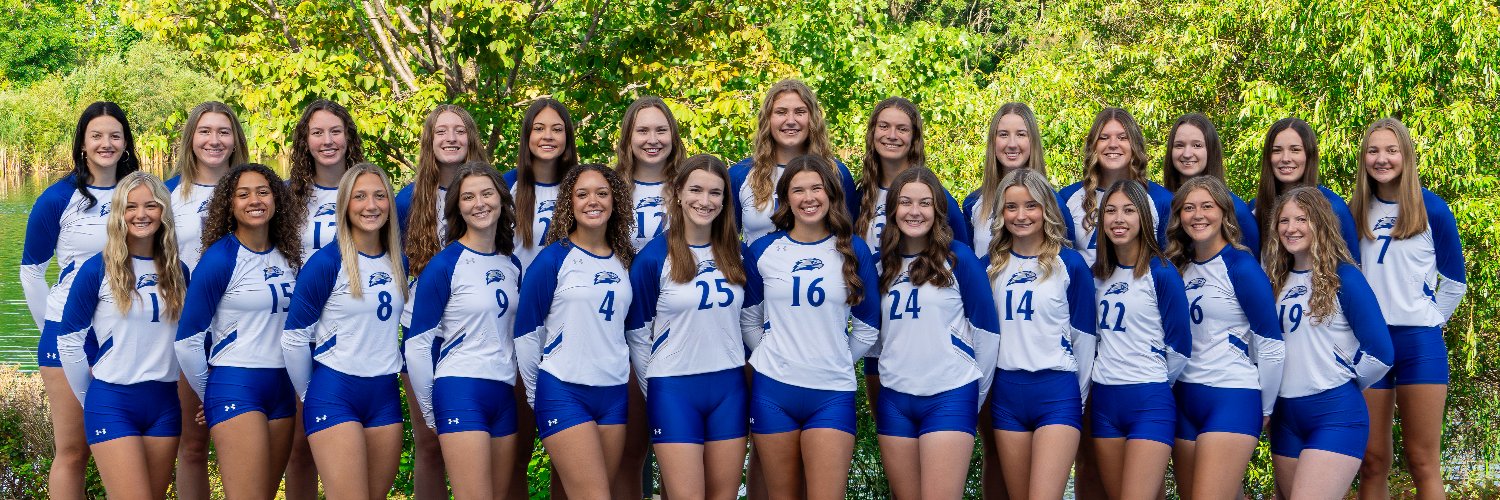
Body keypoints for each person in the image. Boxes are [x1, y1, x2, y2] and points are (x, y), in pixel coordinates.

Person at [740, 155, 881, 500]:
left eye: (816, 188)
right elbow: (749, 318)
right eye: (798, 190)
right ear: (786, 198)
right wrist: (772, 353)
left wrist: (835, 358)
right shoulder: (763, 250)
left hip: (831, 392)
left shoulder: (852, 250)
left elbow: (868, 325)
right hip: (774, 389)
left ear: (831, 194)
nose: (808, 198)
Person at [22, 101, 140, 500]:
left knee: (126, 446)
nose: (106, 143)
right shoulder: (59, 197)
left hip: (128, 333)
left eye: (114, 135)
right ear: (83, 143)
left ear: (125, 142)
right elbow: (31, 272)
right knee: (73, 451)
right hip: (68, 332)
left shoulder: (141, 193)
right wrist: (55, 330)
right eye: (97, 136)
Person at [1350, 118, 1466, 500]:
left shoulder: (1433, 209)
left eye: (1391, 150)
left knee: (1422, 461)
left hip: (1419, 343)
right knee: (1372, 461)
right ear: (1363, 157)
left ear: (1406, 155)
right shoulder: (1352, 213)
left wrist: (1428, 320)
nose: (1382, 159)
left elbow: (1454, 283)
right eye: (1373, 151)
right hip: (1369, 345)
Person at [625, 154, 750, 500]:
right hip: (674, 389)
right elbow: (637, 335)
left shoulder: (737, 255)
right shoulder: (653, 257)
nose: (705, 201)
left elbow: (752, 323)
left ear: (725, 200)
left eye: (715, 193)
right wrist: (656, 389)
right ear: (678, 192)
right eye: (696, 190)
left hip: (729, 386)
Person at [56, 172, 188, 499]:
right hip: (112, 401)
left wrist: (206, 388)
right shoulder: (97, 269)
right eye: (130, 207)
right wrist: (93, 400)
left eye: (151, 206)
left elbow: (193, 338)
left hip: (164, 403)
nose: (141, 214)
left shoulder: (179, 272)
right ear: (118, 213)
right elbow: (69, 340)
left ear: (164, 212)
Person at [175, 164, 302, 500]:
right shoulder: (220, 259)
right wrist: (210, 394)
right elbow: (187, 341)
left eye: (262, 191)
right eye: (242, 194)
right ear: (229, 205)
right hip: (236, 383)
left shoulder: (289, 256)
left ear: (276, 198)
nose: (254, 200)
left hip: (281, 386)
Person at [872, 167, 998, 500]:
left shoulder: (959, 258)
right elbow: (871, 331)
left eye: (925, 203)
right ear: (893, 209)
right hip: (895, 396)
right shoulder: (880, 264)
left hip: (949, 394)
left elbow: (987, 333)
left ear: (937, 209)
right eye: (906, 202)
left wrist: (974, 392)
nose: (915, 211)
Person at [282, 164, 407, 499]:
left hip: (384, 394)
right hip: (335, 391)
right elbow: (293, 339)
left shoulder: (399, 262)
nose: (371, 205)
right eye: (360, 196)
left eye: (380, 196)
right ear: (345, 205)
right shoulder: (327, 263)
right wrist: (311, 396)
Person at [962, 102, 1065, 499]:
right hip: (993, 348)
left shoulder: (1050, 201)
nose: (1011, 142)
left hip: (1042, 351)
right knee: (995, 455)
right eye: (1003, 134)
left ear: (1033, 140)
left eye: (1020, 133)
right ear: (992, 142)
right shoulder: (974, 203)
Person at [515, 164, 637, 499]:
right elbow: (526, 334)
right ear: (570, 203)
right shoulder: (553, 259)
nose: (592, 201)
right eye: (582, 194)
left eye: (602, 193)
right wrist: (536, 396)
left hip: (612, 391)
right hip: (563, 390)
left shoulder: (625, 260)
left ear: (615, 201)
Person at [405, 164, 526, 500]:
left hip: (503, 391)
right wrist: (430, 409)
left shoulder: (511, 264)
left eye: (487, 194)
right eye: (468, 197)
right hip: (460, 389)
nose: (479, 203)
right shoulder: (445, 264)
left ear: (502, 200)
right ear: (457, 206)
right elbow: (416, 345)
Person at [1263, 187, 1393, 499]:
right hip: (1284, 417)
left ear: (1320, 222)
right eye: (1284, 221)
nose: (1291, 228)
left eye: (1301, 219)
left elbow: (1381, 352)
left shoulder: (1344, 276)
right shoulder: (1275, 280)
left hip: (1334, 414)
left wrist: (1341, 380)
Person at [1164, 176, 1285, 499]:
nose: (1197, 215)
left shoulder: (1241, 265)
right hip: (1185, 398)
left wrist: (1266, 408)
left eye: (1207, 206)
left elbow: (1271, 345)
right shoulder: (1179, 267)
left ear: (1224, 213)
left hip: (1231, 396)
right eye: (1188, 208)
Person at [395, 103, 492, 500]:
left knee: (493, 440)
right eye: (441, 132)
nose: (451, 139)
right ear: (429, 142)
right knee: (430, 440)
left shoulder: (492, 190)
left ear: (471, 137)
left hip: (482, 329)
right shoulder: (407, 200)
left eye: (459, 131)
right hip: (424, 328)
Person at [984, 168, 1096, 500]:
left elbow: (1085, 339)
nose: (1021, 215)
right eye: (1011, 207)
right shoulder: (988, 267)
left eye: (1031, 206)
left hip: (1057, 391)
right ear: (1001, 213)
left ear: (1045, 208)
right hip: (1006, 393)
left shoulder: (1070, 264)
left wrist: (1081, 398)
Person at [163, 101, 249, 500]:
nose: (214, 140)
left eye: (223, 132)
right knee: (193, 445)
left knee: (250, 444)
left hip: (247, 329)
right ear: (190, 138)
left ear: (236, 140)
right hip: (188, 327)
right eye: (205, 131)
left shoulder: (255, 190)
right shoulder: (167, 195)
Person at [1088, 179, 1192, 500]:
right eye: (1112, 211)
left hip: (1149, 400)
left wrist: (1150, 376)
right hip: (1104, 400)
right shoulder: (1097, 275)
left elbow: (1180, 346)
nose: (1119, 219)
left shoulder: (1161, 273)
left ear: (1144, 219)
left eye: (1129, 211)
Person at [283, 99, 365, 496]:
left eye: (335, 131)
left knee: (347, 437)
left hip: (351, 330)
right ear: (305, 141)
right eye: (318, 133)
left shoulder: (369, 193)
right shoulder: (287, 197)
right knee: (301, 443)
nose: (328, 140)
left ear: (348, 137)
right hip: (299, 326)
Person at [613, 95, 688, 498]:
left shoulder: (689, 187)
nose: (652, 139)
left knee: (681, 447)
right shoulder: (610, 188)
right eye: (643, 130)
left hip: (681, 327)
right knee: (631, 449)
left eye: (661, 130)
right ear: (628, 138)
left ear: (673, 137)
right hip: (621, 327)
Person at [730, 79, 858, 243]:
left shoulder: (836, 173)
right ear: (767, 119)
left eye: (800, 112)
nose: (790, 121)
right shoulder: (740, 175)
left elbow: (849, 238)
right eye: (781, 112)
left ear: (812, 118)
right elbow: (723, 242)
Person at [1057, 107, 1173, 266]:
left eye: (1122, 137)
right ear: (1093, 146)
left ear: (1135, 144)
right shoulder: (1067, 198)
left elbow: (1169, 262)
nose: (1113, 144)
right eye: (1103, 138)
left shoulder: (1161, 200)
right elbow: (1061, 262)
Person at [1251, 117, 1359, 262]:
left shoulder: (1333, 207)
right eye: (1277, 151)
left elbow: (1353, 265)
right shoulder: (1254, 208)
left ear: (1309, 155)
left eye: (1295, 150)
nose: (1285, 158)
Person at [1160, 113, 1260, 253]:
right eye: (1179, 145)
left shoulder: (1237, 211)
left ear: (1210, 150)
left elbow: (1251, 263)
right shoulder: (1162, 204)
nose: (1187, 153)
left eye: (1197, 145)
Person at [504, 98, 580, 269]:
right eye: (538, 129)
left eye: (557, 129)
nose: (547, 136)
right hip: (518, 292)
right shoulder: (505, 186)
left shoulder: (581, 186)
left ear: (567, 136)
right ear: (527, 135)